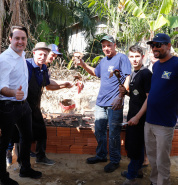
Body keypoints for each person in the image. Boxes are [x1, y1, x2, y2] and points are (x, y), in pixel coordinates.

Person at [76, 35, 132, 173]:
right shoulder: (103, 61)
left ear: (115, 45)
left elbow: (127, 78)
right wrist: (82, 64)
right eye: (104, 46)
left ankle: (114, 160)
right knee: (99, 130)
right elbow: (96, 72)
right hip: (100, 102)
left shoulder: (122, 58)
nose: (106, 48)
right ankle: (101, 155)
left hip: (115, 103)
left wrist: (120, 96)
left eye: (109, 45)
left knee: (114, 133)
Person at [0, 26, 42, 185]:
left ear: (27, 40)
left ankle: (25, 168)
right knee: (3, 143)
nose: (20, 41)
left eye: (23, 38)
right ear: (10, 39)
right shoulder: (4, 59)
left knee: (27, 137)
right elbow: (1, 87)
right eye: (17, 38)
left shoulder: (21, 54)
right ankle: (3, 178)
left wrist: (21, 96)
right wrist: (14, 93)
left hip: (23, 105)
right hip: (8, 106)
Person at [26, 42, 73, 165]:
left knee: (41, 131)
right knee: (22, 135)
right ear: (34, 53)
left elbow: (48, 85)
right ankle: (22, 163)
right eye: (40, 54)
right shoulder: (25, 65)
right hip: (23, 106)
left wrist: (65, 85)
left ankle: (40, 157)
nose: (43, 57)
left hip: (35, 105)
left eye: (45, 54)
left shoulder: (44, 68)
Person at [145, 33, 178, 185]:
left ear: (169, 46)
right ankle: (154, 181)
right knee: (152, 157)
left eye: (158, 45)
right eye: (152, 45)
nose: (154, 48)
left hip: (165, 122)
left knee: (162, 160)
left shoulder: (176, 64)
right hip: (149, 120)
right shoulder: (156, 65)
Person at [119, 45, 152, 185]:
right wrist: (124, 92)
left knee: (134, 146)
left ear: (143, 57)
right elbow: (135, 95)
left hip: (140, 117)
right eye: (131, 57)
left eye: (137, 56)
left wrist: (138, 117)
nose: (134, 59)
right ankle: (137, 171)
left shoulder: (145, 74)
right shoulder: (133, 74)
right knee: (135, 145)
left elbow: (149, 98)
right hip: (133, 114)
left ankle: (131, 177)